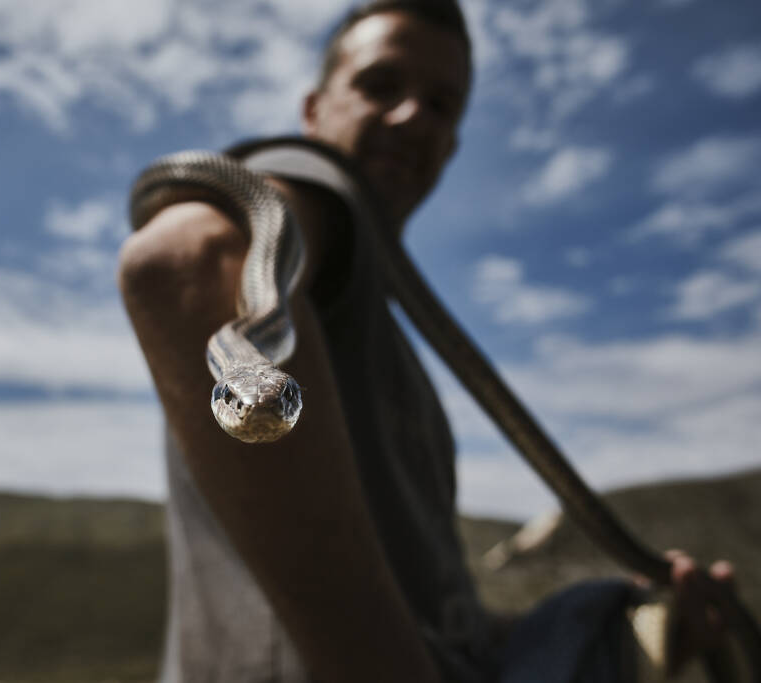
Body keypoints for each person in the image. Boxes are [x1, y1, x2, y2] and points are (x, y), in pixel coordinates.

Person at [118, 2, 735, 681]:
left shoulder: (386, 335)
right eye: (380, 85)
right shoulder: (307, 187)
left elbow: (443, 626)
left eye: (442, 105)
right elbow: (186, 260)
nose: (414, 115)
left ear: (454, 144)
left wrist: (648, 632)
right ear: (315, 110)